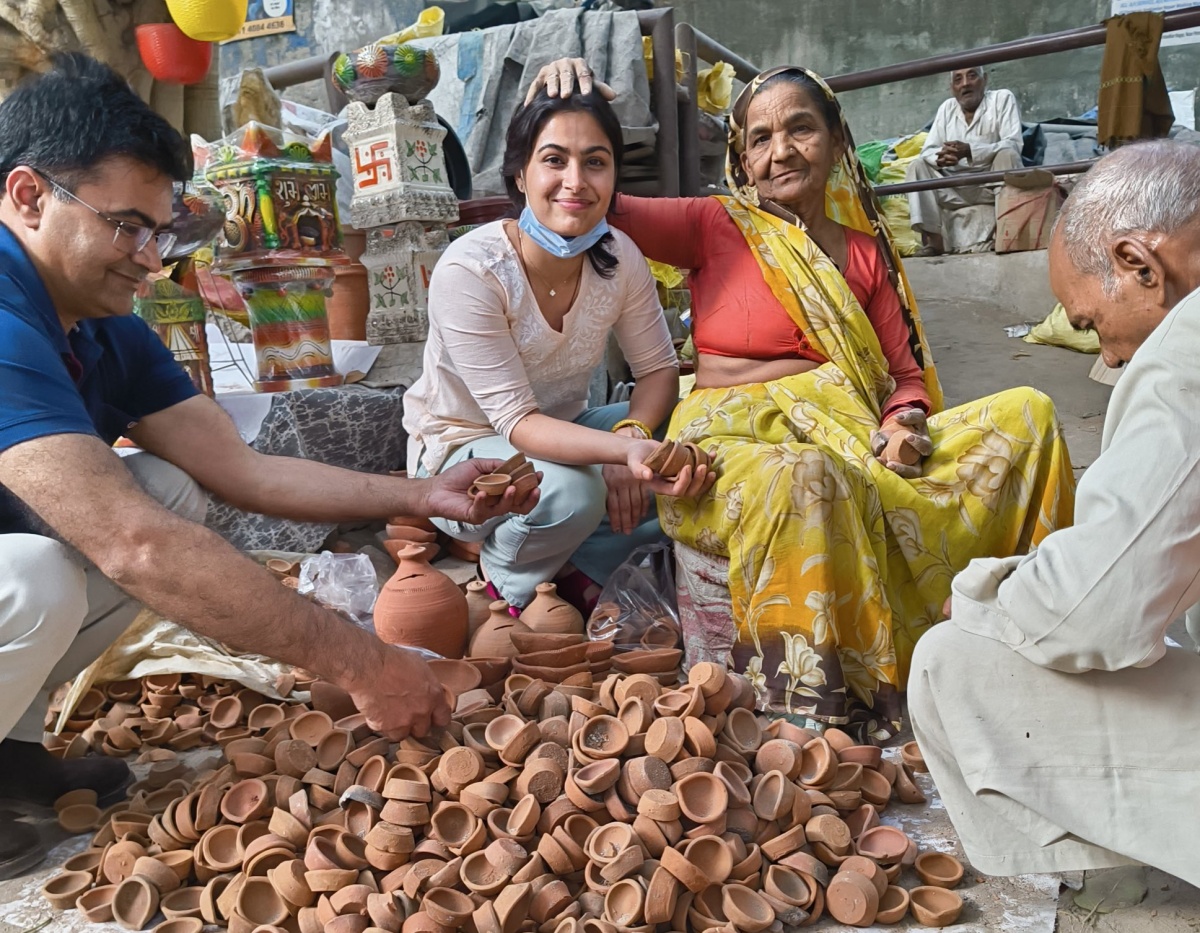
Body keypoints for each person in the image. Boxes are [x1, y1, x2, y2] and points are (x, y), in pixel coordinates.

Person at [0, 54, 534, 877]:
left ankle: (13, 745)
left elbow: (243, 470)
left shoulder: (103, 322)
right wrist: (362, 662)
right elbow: (134, 545)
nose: (150, 258)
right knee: (45, 572)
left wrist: (422, 492)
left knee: (167, 487)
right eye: (126, 226)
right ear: (30, 197)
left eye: (160, 231)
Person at [532, 60, 1074, 739]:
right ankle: (810, 719)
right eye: (759, 139)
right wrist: (569, 102)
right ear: (742, 159)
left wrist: (903, 420)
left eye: (799, 129)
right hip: (733, 443)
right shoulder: (713, 224)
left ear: (836, 138)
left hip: (852, 434)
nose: (780, 151)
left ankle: (1024, 635)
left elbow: (902, 374)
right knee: (808, 478)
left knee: (1029, 414)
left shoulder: (865, 254)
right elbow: (590, 198)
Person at [909, 140, 1200, 888]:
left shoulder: (1187, 357)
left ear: (1142, 264)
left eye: (1093, 323)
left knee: (950, 662)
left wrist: (983, 596)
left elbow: (1097, 608)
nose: (1106, 356)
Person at [401, 88, 712, 614]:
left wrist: (631, 434)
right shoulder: (471, 270)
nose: (576, 181)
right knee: (574, 493)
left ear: (613, 178)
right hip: (465, 451)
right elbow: (517, 424)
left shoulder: (618, 254)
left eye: (595, 162)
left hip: (568, 431)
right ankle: (507, 582)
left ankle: (574, 564)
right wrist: (619, 454)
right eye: (554, 160)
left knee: (698, 425)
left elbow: (658, 370)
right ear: (520, 175)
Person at [905, 66, 1024, 255]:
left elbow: (1014, 143)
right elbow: (928, 150)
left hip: (988, 184)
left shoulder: (1002, 99)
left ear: (984, 80)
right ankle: (934, 242)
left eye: (972, 76)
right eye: (958, 79)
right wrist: (942, 157)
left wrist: (970, 151)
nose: (965, 84)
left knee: (1008, 155)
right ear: (952, 87)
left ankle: (1005, 234)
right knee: (917, 166)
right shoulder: (946, 108)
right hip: (954, 187)